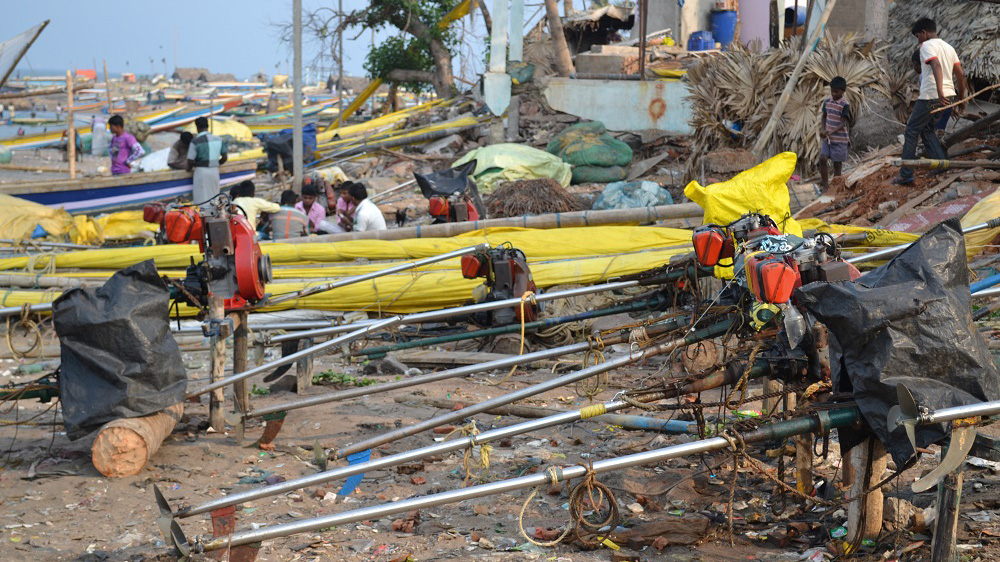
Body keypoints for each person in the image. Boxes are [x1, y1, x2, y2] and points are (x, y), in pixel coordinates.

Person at [893, 17, 967, 186]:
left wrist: (939, 91)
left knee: (911, 130)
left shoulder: (926, 46)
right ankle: (941, 164)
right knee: (927, 130)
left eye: (917, 35)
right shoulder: (949, 48)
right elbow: (961, 76)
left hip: (932, 95)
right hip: (948, 96)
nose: (918, 39)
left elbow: (936, 66)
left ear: (924, 33)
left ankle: (906, 174)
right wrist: (961, 99)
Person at [818, 76, 851, 191]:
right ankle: (825, 185)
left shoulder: (844, 105)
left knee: (837, 165)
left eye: (836, 91)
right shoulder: (827, 102)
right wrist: (823, 129)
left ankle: (836, 188)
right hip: (828, 139)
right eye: (832, 91)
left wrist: (830, 131)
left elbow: (844, 123)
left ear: (843, 91)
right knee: (822, 158)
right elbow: (824, 117)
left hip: (840, 140)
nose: (833, 93)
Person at [187, 116, 228, 203]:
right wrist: (216, 163)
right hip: (214, 170)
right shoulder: (219, 139)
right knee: (214, 196)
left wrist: (190, 168)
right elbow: (224, 157)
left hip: (201, 171)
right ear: (207, 126)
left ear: (197, 127)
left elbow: (190, 160)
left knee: (201, 198)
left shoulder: (195, 142)